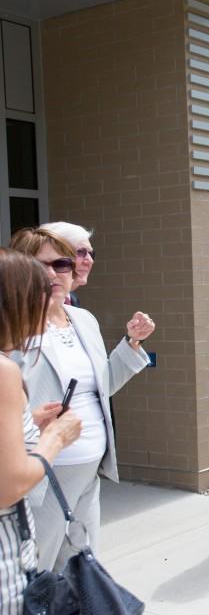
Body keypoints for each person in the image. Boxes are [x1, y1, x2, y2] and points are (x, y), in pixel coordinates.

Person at [9, 228, 154, 572]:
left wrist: (131, 345)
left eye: (61, 264)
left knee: (80, 571)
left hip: (89, 471)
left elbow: (102, 388)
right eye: (39, 265)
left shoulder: (83, 320)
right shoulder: (14, 330)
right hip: (43, 477)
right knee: (36, 572)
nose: (51, 274)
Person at [0, 249, 83, 614]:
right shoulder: (4, 371)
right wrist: (55, 439)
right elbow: (9, 486)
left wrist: (27, 422)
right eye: (43, 293)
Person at [40, 221, 94, 307]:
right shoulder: (31, 304)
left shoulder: (72, 299)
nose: (90, 260)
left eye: (91, 254)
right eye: (80, 252)